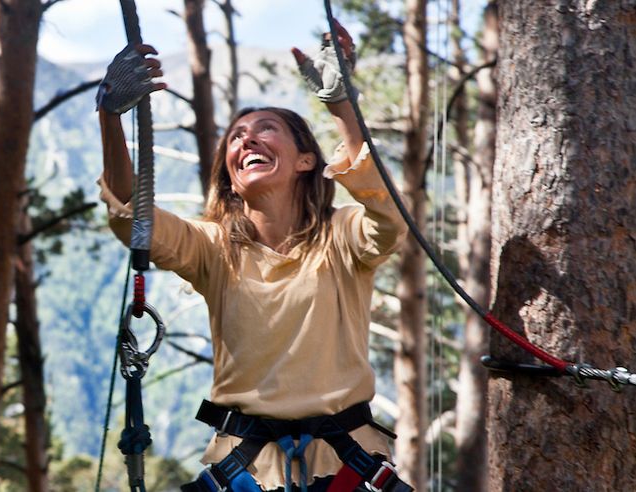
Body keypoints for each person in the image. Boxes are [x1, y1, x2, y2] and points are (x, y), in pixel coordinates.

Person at [95, 22, 412, 492]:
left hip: (344, 462)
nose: (247, 140)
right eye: (237, 138)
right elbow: (131, 220)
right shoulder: (212, 247)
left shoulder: (341, 235)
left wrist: (342, 104)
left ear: (307, 160)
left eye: (266, 129)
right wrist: (109, 116)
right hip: (248, 469)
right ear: (231, 173)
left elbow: (388, 218)